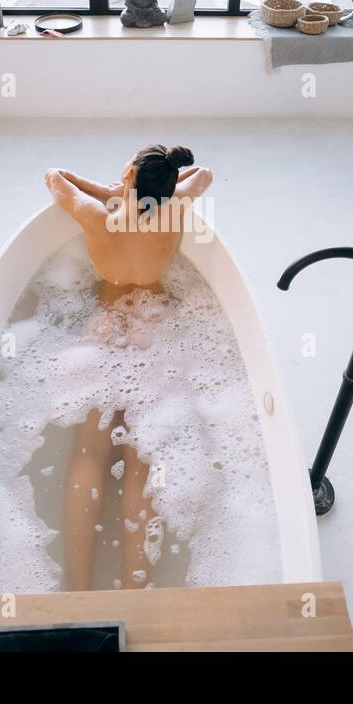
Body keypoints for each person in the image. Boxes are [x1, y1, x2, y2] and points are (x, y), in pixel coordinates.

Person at [43, 146, 213, 590]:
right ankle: (136, 591)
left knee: (88, 456)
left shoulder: (98, 216)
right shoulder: (174, 209)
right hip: (154, 331)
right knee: (141, 461)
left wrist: (106, 190)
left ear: (129, 174)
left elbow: (54, 176)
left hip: (106, 329)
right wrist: (151, 187)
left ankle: (78, 587)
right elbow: (205, 174)